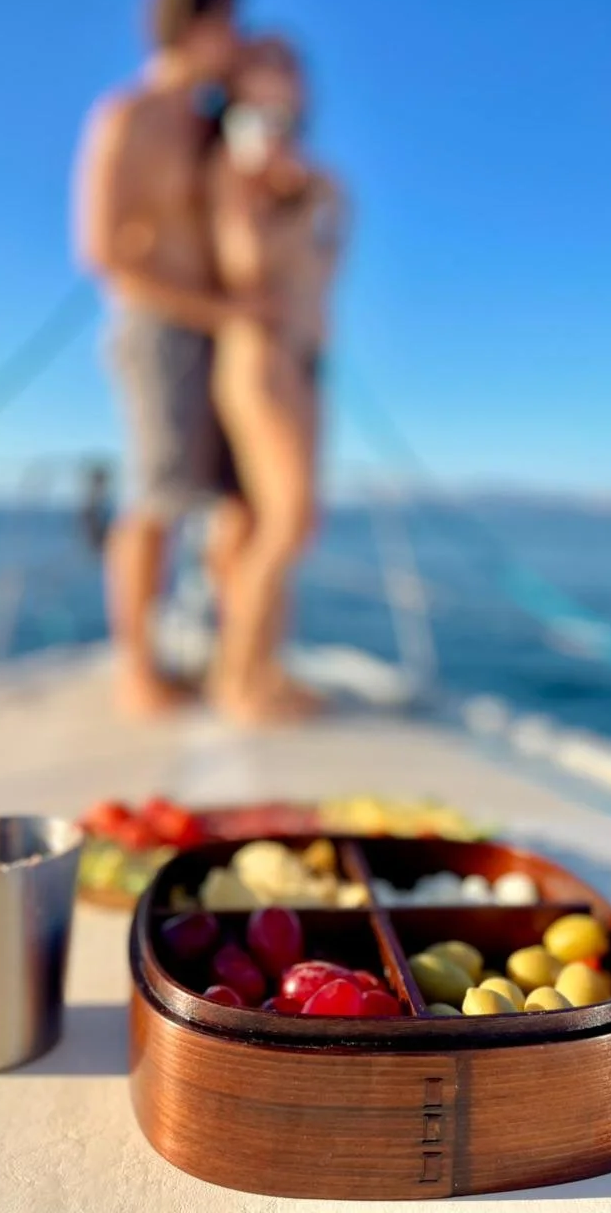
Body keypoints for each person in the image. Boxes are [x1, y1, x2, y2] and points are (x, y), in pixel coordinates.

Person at [74, 0, 268, 717]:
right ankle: (137, 670)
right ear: (195, 25)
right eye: (230, 25)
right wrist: (214, 309)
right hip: (159, 329)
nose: (239, 41)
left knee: (232, 501)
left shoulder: (210, 126)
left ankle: (236, 658)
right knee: (157, 498)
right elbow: (101, 250)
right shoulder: (128, 115)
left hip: (221, 332)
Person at [206, 36, 349, 724]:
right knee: (287, 519)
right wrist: (274, 194)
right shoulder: (235, 167)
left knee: (278, 521)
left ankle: (261, 665)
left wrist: (324, 202)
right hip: (258, 357)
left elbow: (327, 271)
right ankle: (237, 679)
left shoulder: (310, 178)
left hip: (304, 364)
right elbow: (244, 267)